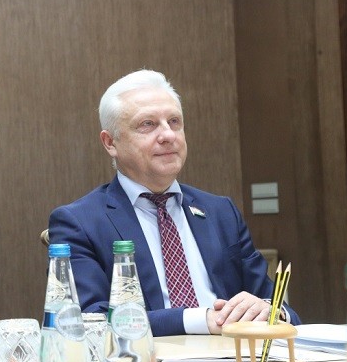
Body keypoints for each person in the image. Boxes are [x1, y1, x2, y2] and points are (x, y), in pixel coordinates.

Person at [48, 69, 299, 336]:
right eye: (148, 124)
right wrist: (201, 320)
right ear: (110, 143)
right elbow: (90, 322)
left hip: (234, 357)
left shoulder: (221, 212)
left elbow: (280, 307)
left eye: (174, 121)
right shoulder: (80, 223)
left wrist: (273, 311)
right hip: (149, 361)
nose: (168, 135)